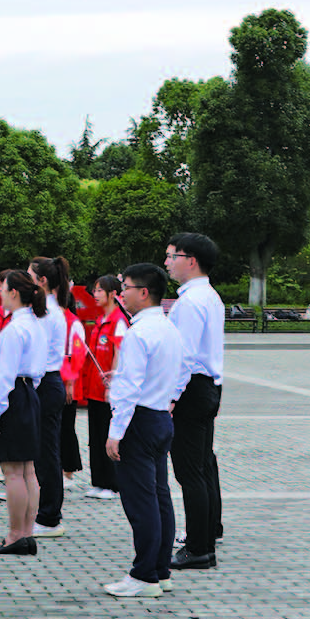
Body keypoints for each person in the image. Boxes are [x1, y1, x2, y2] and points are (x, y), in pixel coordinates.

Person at [104, 262, 185, 597]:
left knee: (141, 501)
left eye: (126, 287)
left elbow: (130, 388)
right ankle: (160, 570)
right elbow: (178, 374)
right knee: (159, 495)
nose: (121, 293)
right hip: (160, 417)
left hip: (139, 419)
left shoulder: (138, 332)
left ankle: (144, 575)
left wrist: (115, 431)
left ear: (143, 292)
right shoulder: (168, 328)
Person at [166, 232, 225, 570]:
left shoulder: (191, 301)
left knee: (190, 472)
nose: (167, 262)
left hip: (191, 389)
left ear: (191, 260)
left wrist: (171, 397)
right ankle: (207, 533)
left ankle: (198, 547)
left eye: (172, 255)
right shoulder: (207, 296)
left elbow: (184, 357)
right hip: (206, 386)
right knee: (202, 466)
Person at [0, 270, 45, 556]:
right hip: (29, 393)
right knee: (28, 469)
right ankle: (27, 532)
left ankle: (14, 535)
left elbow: (6, 376)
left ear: (14, 293)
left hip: (13, 396)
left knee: (13, 472)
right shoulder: (34, 324)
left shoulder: (14, 329)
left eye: (3, 288)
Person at [28, 256, 75, 539]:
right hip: (45, 382)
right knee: (43, 452)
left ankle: (50, 517)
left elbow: (36, 354)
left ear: (42, 281)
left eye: (29, 275)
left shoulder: (48, 312)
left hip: (45, 383)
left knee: (47, 454)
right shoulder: (46, 310)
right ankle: (45, 512)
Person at [80, 275, 127, 500]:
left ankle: (112, 482)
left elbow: (119, 353)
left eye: (100, 290)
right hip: (94, 388)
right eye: (95, 290)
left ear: (113, 294)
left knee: (108, 435)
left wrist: (113, 384)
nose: (95, 294)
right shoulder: (100, 319)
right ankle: (99, 481)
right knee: (96, 436)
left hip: (107, 389)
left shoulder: (118, 320)